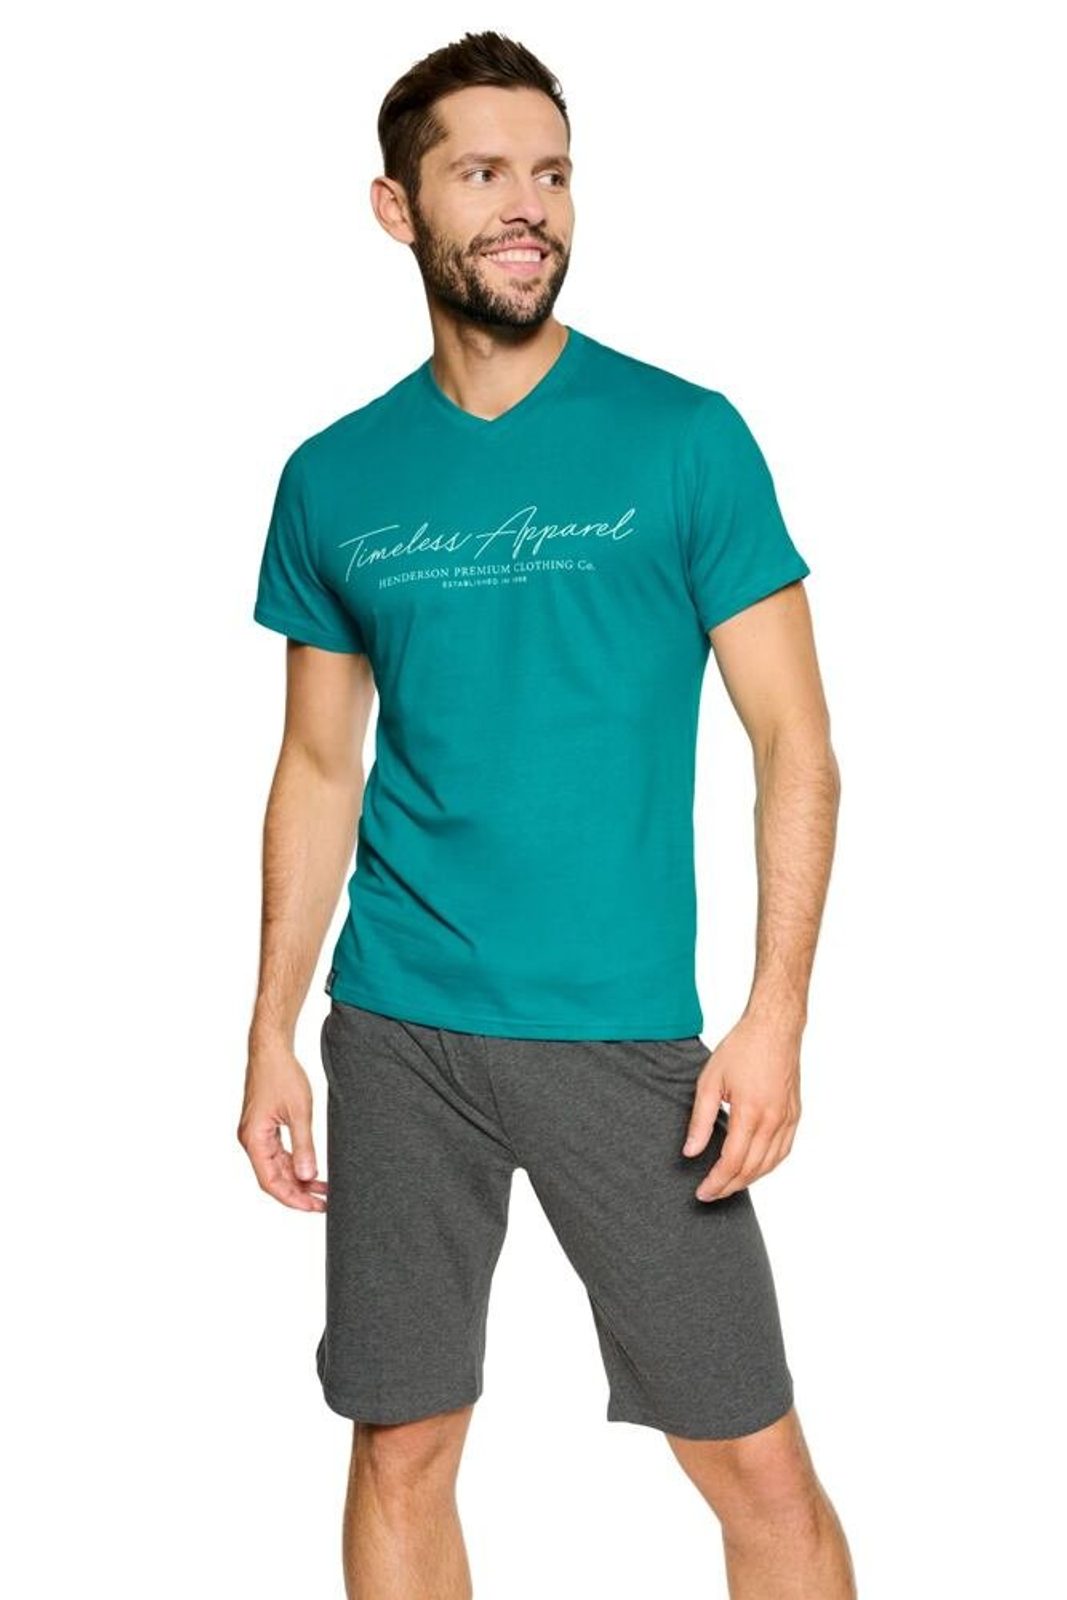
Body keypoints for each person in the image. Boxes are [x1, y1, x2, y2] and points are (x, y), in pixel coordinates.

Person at [238, 28, 854, 1600]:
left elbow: (795, 741)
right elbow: (318, 767)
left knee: (753, 1463)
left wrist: (775, 1013)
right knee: (400, 1445)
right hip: (398, 1028)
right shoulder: (334, 477)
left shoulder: (684, 437)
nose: (530, 206)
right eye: (485, 173)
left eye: (554, 174)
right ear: (399, 208)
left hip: (626, 1039)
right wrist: (270, 1030)